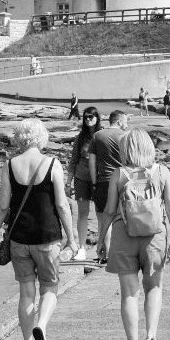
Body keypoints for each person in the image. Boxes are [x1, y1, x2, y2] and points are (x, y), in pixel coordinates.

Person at [0, 118, 78, 340]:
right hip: (48, 239)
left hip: (19, 239)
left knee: (26, 293)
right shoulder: (52, 164)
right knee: (50, 287)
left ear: (19, 138)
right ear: (41, 137)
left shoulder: (10, 165)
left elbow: (3, 205)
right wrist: (72, 238)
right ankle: (41, 325)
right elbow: (61, 204)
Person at [98, 128, 170, 340]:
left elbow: (109, 211)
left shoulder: (119, 174)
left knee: (129, 294)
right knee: (154, 288)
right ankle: (151, 336)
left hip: (124, 234)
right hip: (155, 235)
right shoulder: (161, 172)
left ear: (126, 149)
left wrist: (103, 239)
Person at [90, 110, 129, 246]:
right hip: (123, 181)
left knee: (103, 218)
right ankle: (121, 250)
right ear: (119, 122)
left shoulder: (97, 136)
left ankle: (105, 253)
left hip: (103, 180)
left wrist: (94, 183)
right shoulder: (126, 136)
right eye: (126, 121)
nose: (127, 125)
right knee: (123, 217)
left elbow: (92, 163)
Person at [67, 107, 101, 259]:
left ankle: (103, 246)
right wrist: (68, 182)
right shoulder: (80, 138)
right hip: (81, 178)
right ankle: (81, 248)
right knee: (82, 213)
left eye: (91, 116)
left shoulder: (102, 136)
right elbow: (73, 161)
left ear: (97, 117)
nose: (88, 119)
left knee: (101, 213)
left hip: (99, 179)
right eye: (86, 117)